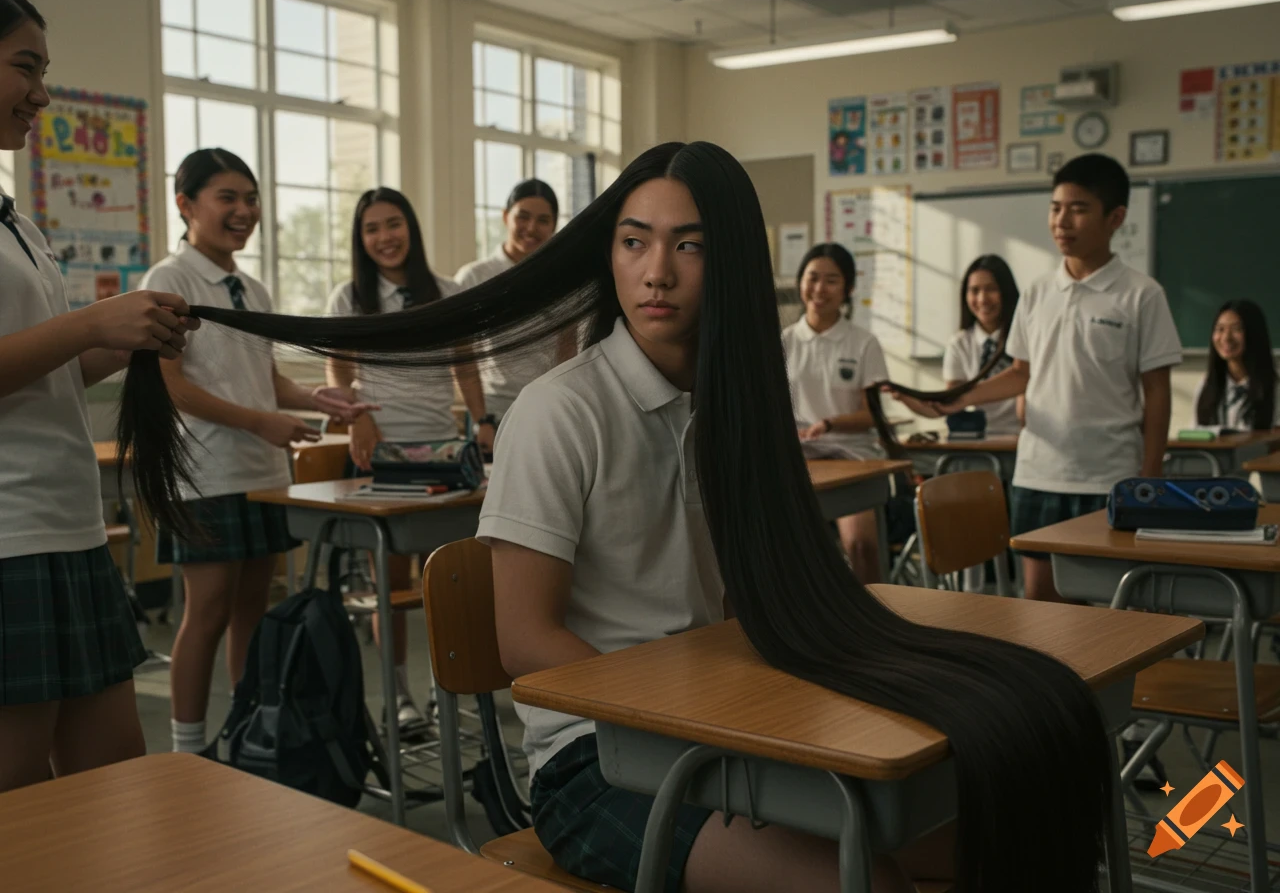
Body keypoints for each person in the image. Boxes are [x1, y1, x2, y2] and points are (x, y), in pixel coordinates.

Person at [119, 142, 1117, 893]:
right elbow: (526, 642)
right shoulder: (565, 411)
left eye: (686, 246)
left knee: (995, 810)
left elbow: (757, 591)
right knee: (868, 878)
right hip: (601, 765)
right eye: (633, 243)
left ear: (721, 260)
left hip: (733, 726)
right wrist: (716, 715)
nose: (655, 271)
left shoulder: (734, 399)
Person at [0, 0, 200, 790]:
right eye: (26, 67)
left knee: (115, 791)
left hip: (67, 527)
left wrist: (121, 344)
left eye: (43, 72)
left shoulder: (20, 226)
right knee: (23, 811)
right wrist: (91, 325)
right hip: (9, 540)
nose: (42, 96)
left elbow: (43, 371)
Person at [141, 148, 370, 755]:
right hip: (204, 475)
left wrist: (316, 399)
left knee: (252, 613)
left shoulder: (254, 288)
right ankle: (188, 749)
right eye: (228, 198)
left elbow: (267, 381)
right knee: (207, 613)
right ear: (186, 205)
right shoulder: (170, 281)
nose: (244, 211)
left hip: (260, 473)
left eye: (251, 198)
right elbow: (175, 389)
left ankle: (250, 734)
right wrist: (263, 423)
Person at [894, 154, 1182, 606]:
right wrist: (950, 401)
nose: (1061, 220)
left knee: (1112, 612)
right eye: (1055, 207)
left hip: (1109, 477)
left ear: (1116, 218)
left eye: (1078, 208)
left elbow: (1157, 390)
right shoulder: (1036, 293)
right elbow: (1020, 374)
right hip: (1038, 472)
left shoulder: (1141, 294)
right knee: (1042, 611)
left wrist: (1150, 474)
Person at [326, 187, 479, 735]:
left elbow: (465, 366)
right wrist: (356, 417)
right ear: (361, 239)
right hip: (381, 457)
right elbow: (337, 370)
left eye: (393, 224)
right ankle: (398, 696)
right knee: (388, 588)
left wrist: (482, 422)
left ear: (409, 228)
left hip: (442, 452)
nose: (384, 237)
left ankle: (445, 694)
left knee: (445, 583)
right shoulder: (349, 296)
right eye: (372, 229)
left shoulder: (446, 290)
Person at [782, 243, 889, 582]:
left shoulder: (863, 342)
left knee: (861, 546)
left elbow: (872, 414)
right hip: (799, 460)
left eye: (831, 280)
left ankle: (874, 625)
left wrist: (829, 424)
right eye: (812, 278)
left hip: (852, 457)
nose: (819, 289)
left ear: (848, 289)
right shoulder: (782, 341)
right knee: (784, 547)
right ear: (800, 282)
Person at [454, 179, 576, 452]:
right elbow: (462, 357)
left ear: (554, 226)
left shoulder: (564, 282)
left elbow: (568, 352)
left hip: (547, 412)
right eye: (523, 216)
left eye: (543, 220)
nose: (531, 228)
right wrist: (480, 420)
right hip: (491, 415)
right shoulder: (474, 277)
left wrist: (562, 410)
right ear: (506, 216)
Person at [942, 254, 1023, 437]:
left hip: (1019, 437)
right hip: (976, 438)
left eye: (991, 289)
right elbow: (953, 402)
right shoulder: (959, 343)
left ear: (1006, 292)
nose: (982, 299)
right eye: (974, 291)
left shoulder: (1024, 337)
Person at [1194, 299, 1278, 431]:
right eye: (1220, 329)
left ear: (1254, 333)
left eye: (1236, 329)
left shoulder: (1275, 389)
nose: (1226, 337)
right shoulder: (1206, 387)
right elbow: (1195, 436)